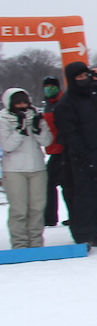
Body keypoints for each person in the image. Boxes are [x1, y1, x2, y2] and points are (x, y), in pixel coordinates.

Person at [53, 62, 97, 248]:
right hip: (81, 156)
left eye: (85, 76)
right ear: (71, 79)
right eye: (78, 78)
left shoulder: (96, 91)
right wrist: (83, 157)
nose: (83, 80)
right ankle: (83, 234)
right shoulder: (66, 102)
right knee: (85, 196)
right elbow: (70, 133)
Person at [1, 87, 53, 248]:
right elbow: (7, 145)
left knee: (37, 208)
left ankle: (36, 243)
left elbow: (47, 141)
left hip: (37, 168)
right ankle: (19, 244)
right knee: (19, 209)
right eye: (18, 103)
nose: (22, 106)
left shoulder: (35, 116)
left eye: (25, 102)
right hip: (14, 170)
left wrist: (38, 129)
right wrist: (19, 130)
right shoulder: (3, 119)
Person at [40, 76, 65, 228]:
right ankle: (51, 216)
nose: (49, 89)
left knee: (57, 184)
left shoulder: (63, 101)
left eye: (52, 86)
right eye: (46, 86)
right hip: (53, 148)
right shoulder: (48, 104)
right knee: (54, 184)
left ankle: (50, 217)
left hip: (63, 148)